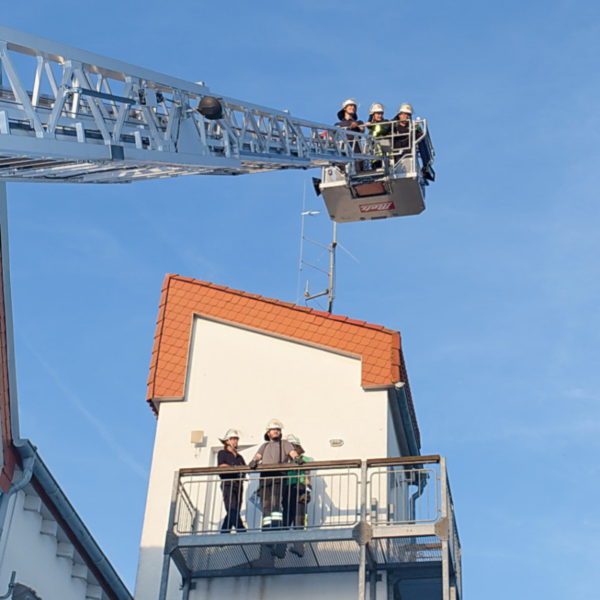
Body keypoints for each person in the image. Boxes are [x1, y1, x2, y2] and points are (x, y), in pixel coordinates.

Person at [282, 434, 312, 557]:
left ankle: (299, 547)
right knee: (286, 519)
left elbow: (307, 477)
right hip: (287, 490)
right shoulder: (285, 461)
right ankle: (280, 548)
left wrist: (307, 490)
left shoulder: (303, 460)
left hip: (300, 489)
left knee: (299, 519)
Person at [217, 429, 247, 533]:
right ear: (227, 441)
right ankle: (241, 530)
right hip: (228, 483)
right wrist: (234, 468)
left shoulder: (239, 457)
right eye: (233, 439)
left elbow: (245, 469)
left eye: (236, 439)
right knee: (231, 508)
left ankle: (224, 532)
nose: (236, 441)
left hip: (238, 485)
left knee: (235, 509)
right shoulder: (222, 453)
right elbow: (222, 466)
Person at [365, 103, 391, 169]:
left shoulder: (385, 122)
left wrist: (372, 125)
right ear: (373, 115)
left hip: (385, 153)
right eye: (378, 113)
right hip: (375, 155)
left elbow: (382, 130)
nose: (380, 115)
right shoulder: (371, 130)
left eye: (381, 113)